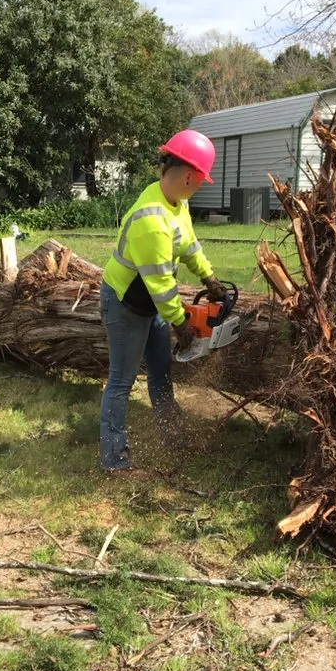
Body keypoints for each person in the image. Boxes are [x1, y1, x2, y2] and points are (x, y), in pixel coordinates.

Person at [99, 129, 227, 472]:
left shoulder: (175, 201)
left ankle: (173, 437)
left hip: (152, 302)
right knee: (121, 382)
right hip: (126, 303)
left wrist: (209, 278)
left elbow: (189, 245)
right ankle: (115, 461)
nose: (200, 187)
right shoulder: (152, 219)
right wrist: (182, 324)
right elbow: (162, 286)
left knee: (160, 374)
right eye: (201, 180)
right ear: (189, 176)